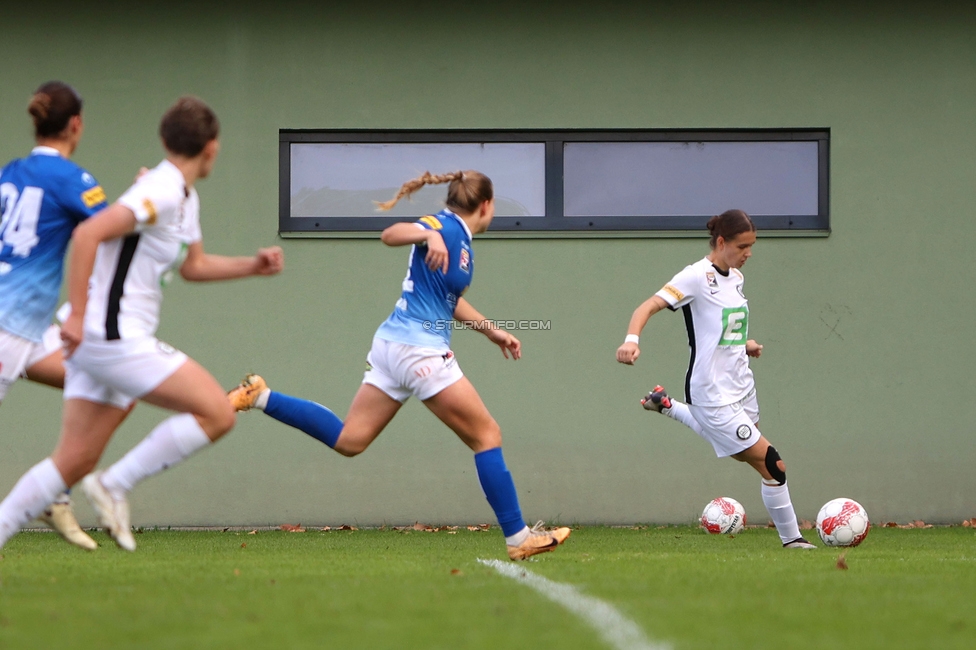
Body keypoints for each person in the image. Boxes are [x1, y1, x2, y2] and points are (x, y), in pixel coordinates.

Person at [228, 170, 570, 561]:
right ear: (487, 205)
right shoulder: (443, 225)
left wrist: (492, 331)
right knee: (487, 435)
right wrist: (427, 234)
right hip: (418, 350)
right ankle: (517, 537)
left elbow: (447, 300)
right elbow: (390, 234)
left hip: (394, 346)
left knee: (350, 440)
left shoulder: (462, 242)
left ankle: (259, 396)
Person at [0, 96, 284, 552]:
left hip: (102, 341)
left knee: (72, 461)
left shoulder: (182, 197)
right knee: (215, 411)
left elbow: (194, 266)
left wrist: (252, 265)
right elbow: (88, 233)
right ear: (211, 149)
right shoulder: (162, 189)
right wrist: (74, 314)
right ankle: (115, 483)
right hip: (111, 336)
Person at [616, 209, 815, 549]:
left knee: (739, 453)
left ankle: (667, 405)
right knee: (772, 464)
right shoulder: (695, 276)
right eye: (742, 246)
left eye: (752, 246)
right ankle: (792, 540)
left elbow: (723, 326)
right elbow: (646, 306)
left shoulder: (735, 277)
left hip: (741, 385)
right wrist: (631, 340)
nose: (748, 253)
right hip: (711, 390)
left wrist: (744, 344)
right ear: (721, 242)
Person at [0, 81, 118, 550]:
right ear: (76, 125)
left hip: (28, 332)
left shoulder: (10, 172)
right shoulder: (72, 179)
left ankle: (55, 493)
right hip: (9, 327)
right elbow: (113, 232)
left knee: (101, 381)